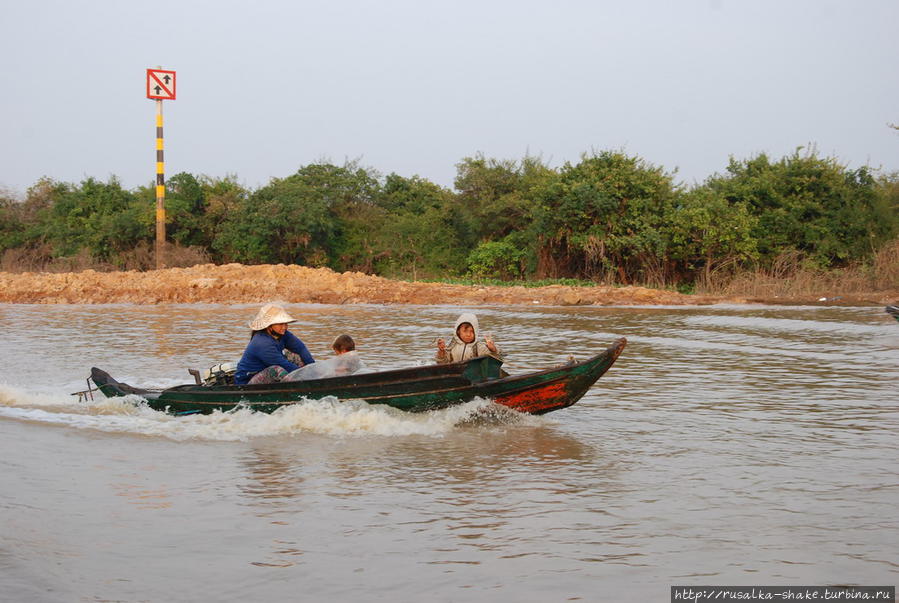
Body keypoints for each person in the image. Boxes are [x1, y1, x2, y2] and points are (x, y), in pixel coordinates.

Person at [234, 303, 315, 385]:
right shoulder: (262, 343)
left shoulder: (283, 334)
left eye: (285, 323)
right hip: (247, 382)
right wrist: (305, 376)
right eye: (280, 324)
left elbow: (301, 348)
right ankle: (302, 386)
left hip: (266, 372)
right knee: (276, 370)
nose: (284, 327)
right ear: (269, 326)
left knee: (295, 355)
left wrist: (313, 370)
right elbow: (282, 364)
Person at [283, 334, 363, 381]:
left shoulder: (348, 360)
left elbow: (343, 370)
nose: (337, 356)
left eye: (337, 353)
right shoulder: (356, 358)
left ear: (343, 351)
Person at [435, 312, 502, 364]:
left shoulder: (478, 347)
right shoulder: (452, 346)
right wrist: (441, 352)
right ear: (458, 331)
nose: (468, 334)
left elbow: (495, 358)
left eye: (472, 331)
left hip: (472, 377)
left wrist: (493, 349)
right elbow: (442, 362)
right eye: (465, 331)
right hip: (455, 375)